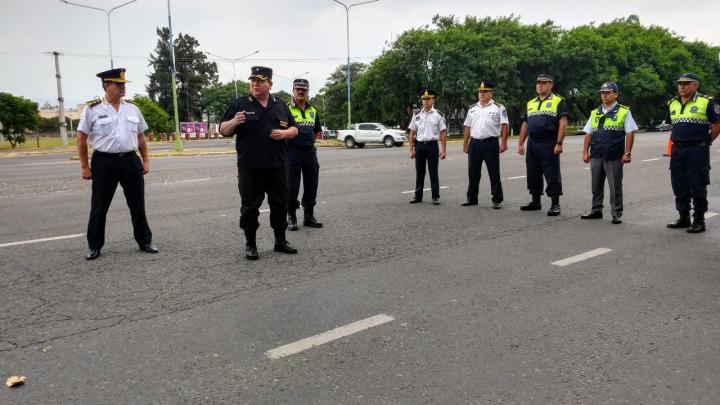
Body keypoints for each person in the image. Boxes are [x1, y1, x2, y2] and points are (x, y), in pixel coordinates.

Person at [76, 68, 157, 260]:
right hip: (104, 161)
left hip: (130, 160)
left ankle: (144, 241)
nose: (123, 87)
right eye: (118, 84)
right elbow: (81, 138)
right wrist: (84, 166)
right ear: (106, 86)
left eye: (123, 84)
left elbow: (140, 136)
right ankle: (94, 246)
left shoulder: (133, 108)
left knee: (137, 204)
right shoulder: (92, 109)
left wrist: (145, 159)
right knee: (99, 206)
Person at [219, 66, 299, 260]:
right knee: (250, 208)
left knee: (279, 205)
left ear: (269, 84)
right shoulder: (240, 104)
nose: (255, 84)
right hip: (250, 168)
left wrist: (284, 133)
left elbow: (294, 129)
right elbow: (222, 129)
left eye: (260, 81)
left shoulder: (280, 105)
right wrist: (234, 122)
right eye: (253, 80)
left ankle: (280, 241)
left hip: (277, 166)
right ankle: (251, 244)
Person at [665, 73, 720, 233]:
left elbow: (717, 123)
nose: (682, 86)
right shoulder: (672, 103)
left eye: (686, 83)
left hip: (697, 150)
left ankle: (699, 220)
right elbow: (672, 126)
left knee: (697, 185)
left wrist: (707, 141)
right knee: (679, 184)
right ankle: (684, 218)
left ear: (696, 85)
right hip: (677, 150)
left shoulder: (706, 101)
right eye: (680, 83)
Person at [580, 82, 638, 224]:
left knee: (615, 186)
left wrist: (627, 152)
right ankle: (596, 210)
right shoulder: (595, 112)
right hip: (597, 154)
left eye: (608, 92)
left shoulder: (624, 111)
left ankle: (616, 213)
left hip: (614, 155)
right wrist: (585, 152)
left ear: (615, 94)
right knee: (596, 184)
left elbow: (630, 132)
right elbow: (588, 133)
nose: (604, 95)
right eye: (602, 93)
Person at [517, 74, 569, 216]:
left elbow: (563, 123)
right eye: (538, 83)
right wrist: (521, 143)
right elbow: (525, 124)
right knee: (533, 172)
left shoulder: (559, 101)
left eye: (543, 83)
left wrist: (559, 143)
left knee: (551, 172)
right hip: (533, 142)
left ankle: (555, 204)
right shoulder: (530, 103)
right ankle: (535, 201)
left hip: (549, 141)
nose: (540, 85)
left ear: (550, 85)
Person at [461, 81, 509, 208]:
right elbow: (467, 127)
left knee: (494, 172)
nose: (481, 94)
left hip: (490, 142)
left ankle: (497, 199)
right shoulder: (472, 108)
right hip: (475, 143)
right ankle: (472, 198)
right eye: (480, 92)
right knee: (473, 172)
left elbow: (505, 125)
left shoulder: (498, 107)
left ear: (491, 93)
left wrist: (504, 143)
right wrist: (465, 143)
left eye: (484, 92)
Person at [286, 78, 323, 230]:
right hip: (291, 153)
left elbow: (316, 131)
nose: (301, 91)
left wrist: (308, 142)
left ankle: (309, 217)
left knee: (311, 185)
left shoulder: (313, 110)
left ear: (308, 92)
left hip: (309, 153)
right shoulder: (286, 109)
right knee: (291, 187)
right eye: (298, 89)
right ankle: (291, 216)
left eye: (304, 89)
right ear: (293, 90)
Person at [408, 88, 447, 205]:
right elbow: (412, 133)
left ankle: (435, 196)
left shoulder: (438, 115)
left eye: (428, 99)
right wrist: (411, 150)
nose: (425, 101)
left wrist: (443, 150)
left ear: (433, 100)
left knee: (433, 172)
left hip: (432, 146)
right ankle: (418, 196)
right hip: (419, 146)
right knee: (419, 172)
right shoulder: (417, 114)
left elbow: (443, 133)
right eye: (424, 99)